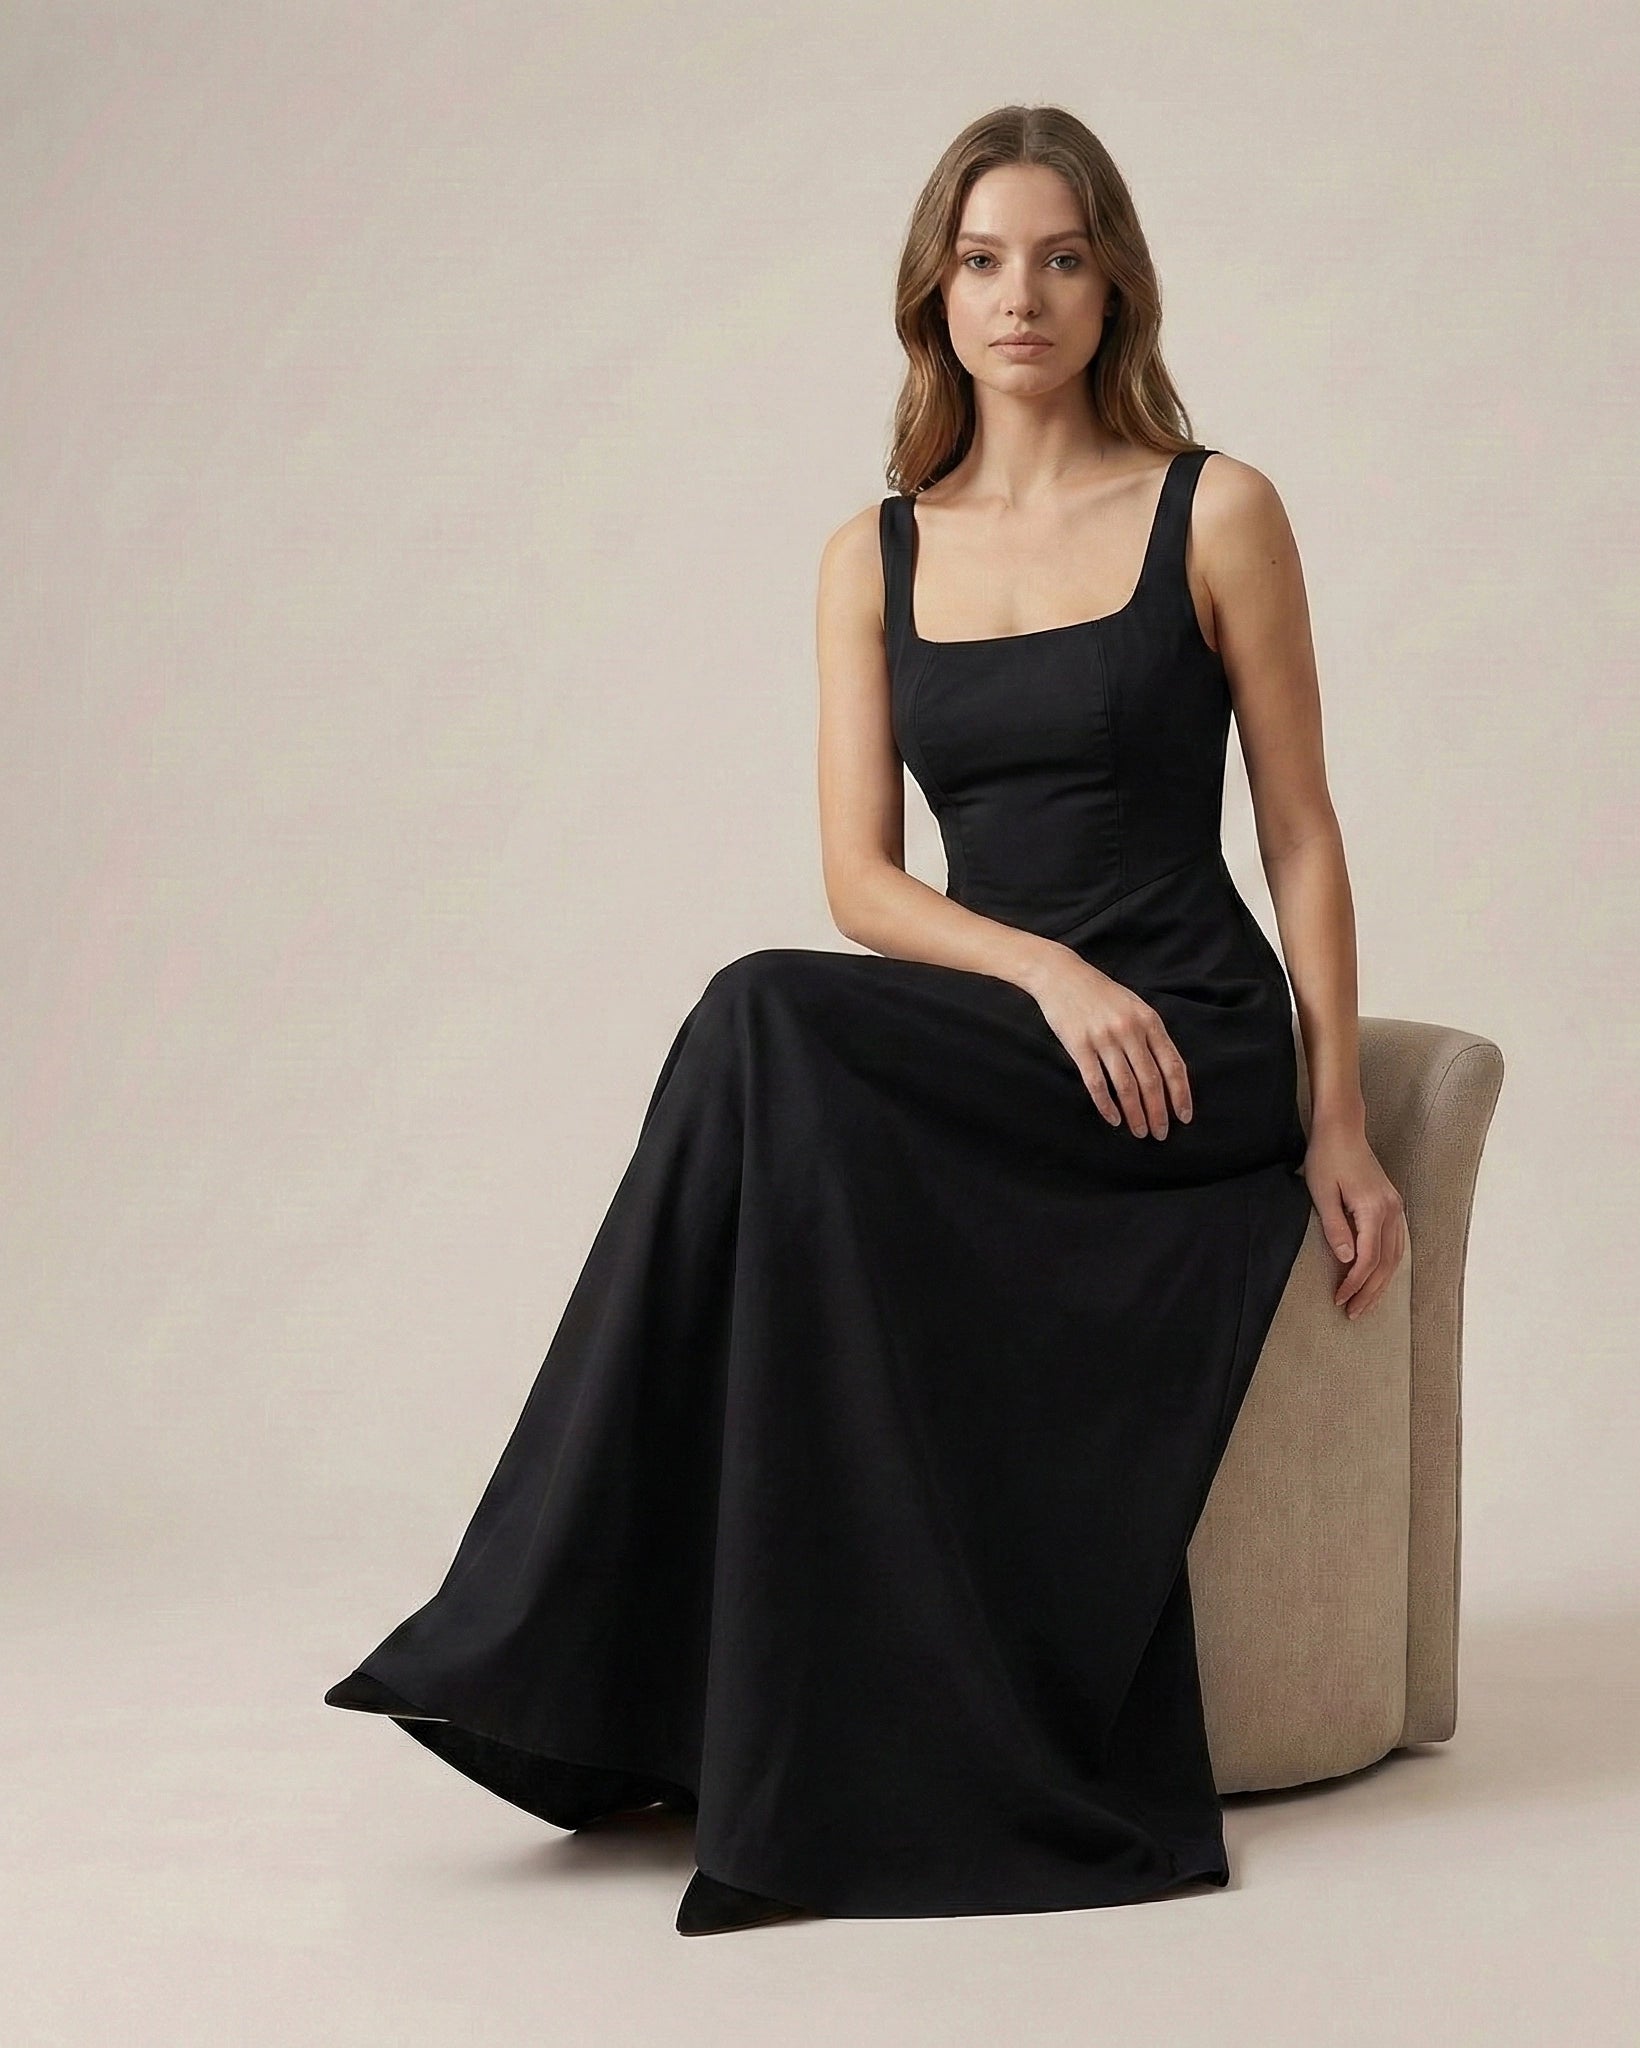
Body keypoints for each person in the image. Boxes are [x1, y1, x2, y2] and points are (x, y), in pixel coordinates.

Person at [324, 102, 1407, 1937]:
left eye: (1059, 258)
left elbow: (1299, 831)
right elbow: (863, 880)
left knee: (759, 1022)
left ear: (1114, 287)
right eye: (983, 261)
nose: (1021, 296)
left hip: (1191, 1048)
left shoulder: (1215, 507)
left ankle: (551, 1636)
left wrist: (1337, 1117)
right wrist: (1045, 970)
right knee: (772, 1055)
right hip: (1023, 1040)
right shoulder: (872, 555)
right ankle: (690, 1688)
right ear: (934, 295)